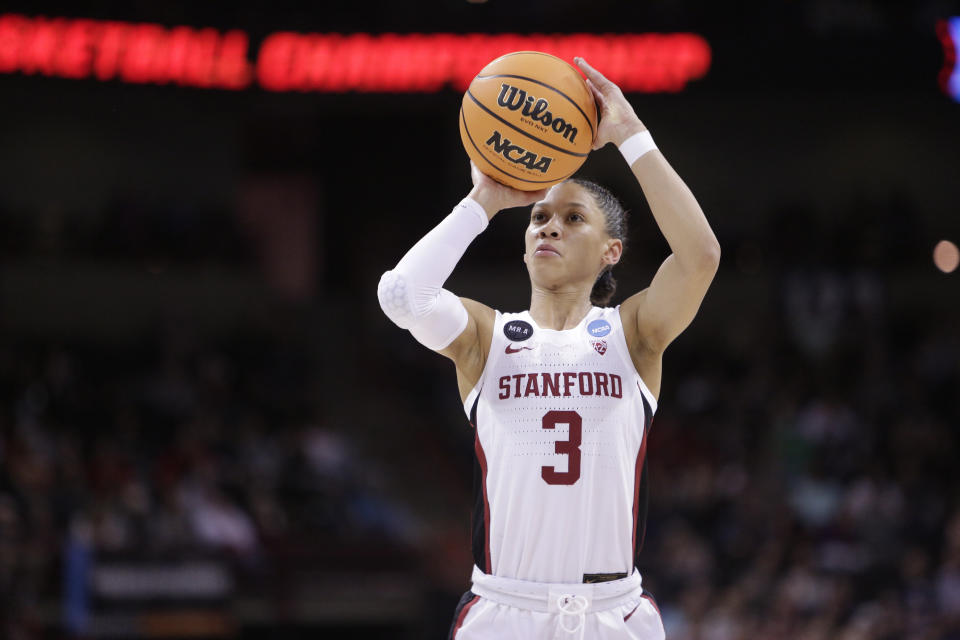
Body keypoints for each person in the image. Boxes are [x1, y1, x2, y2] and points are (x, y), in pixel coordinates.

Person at [378, 57, 720, 640]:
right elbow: (403, 295)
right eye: (538, 216)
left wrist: (632, 136)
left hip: (613, 614)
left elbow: (701, 258)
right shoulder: (486, 339)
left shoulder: (631, 335)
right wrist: (482, 202)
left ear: (612, 251)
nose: (547, 226)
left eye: (571, 217)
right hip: (506, 610)